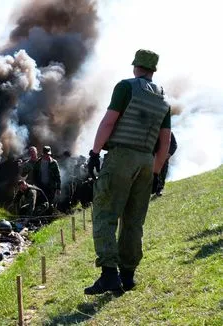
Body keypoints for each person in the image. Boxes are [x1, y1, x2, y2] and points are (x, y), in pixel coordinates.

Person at [85, 49, 172, 295]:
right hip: (146, 161)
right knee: (134, 221)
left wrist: (94, 153)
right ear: (153, 70)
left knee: (105, 214)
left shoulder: (125, 87)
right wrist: (155, 173)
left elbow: (109, 122)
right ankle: (128, 275)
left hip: (121, 157)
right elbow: (164, 144)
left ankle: (109, 275)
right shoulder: (164, 98)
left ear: (136, 67)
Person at [153, 132, 177, 196]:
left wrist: (169, 154)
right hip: (152, 157)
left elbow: (174, 145)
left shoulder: (169, 133)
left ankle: (159, 189)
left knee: (162, 173)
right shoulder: (152, 132)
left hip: (163, 157)